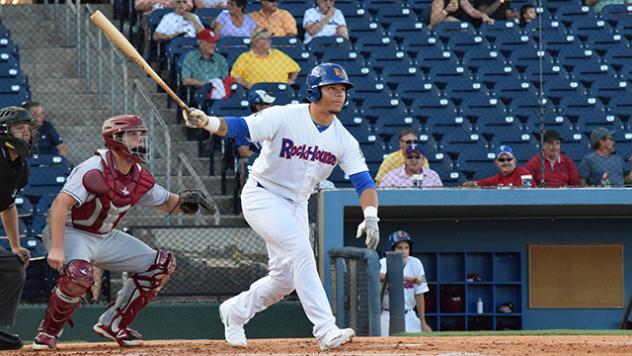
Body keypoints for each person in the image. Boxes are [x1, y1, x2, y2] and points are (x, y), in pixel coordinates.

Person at [183, 63, 380, 351]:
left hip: (297, 204)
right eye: (333, 88)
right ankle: (326, 330)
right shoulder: (284, 116)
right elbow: (241, 126)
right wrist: (208, 122)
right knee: (301, 252)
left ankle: (235, 312)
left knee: (285, 280)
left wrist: (371, 216)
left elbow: (364, 182)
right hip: (263, 195)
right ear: (314, 91)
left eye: (343, 90)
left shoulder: (343, 139)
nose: (340, 94)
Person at [31, 115, 215, 350]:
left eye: (141, 134)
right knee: (79, 274)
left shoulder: (137, 174)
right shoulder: (92, 169)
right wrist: (57, 247)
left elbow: (169, 203)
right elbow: (59, 205)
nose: (140, 140)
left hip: (105, 235)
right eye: (133, 134)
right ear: (114, 139)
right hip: (71, 232)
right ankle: (47, 333)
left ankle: (114, 324)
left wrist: (191, 199)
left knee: (161, 264)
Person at [0, 107, 37, 351]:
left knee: (13, 265)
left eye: (28, 128)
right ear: (4, 131)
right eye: (19, 128)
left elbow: (8, 205)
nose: (25, 133)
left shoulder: (20, 167)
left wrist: (15, 245)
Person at [380, 231, 432, 336]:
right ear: (392, 249)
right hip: (387, 315)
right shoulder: (383, 262)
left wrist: (423, 322)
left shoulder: (416, 263)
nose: (404, 251)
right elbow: (380, 276)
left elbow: (419, 294)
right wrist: (407, 278)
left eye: (406, 248)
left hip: (409, 314)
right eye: (400, 248)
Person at [230, 28, 300, 89]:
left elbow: (296, 69)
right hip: (257, 92)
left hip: (280, 92)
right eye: (266, 39)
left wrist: (290, 80)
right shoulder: (245, 57)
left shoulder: (278, 54)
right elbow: (236, 77)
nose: (270, 41)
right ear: (256, 42)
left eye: (269, 38)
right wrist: (248, 85)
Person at [234, 90, 276, 186]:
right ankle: (245, 197)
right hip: (254, 159)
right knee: (244, 163)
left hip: (272, 158)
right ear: (258, 106)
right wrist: (265, 157)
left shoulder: (274, 122)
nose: (271, 107)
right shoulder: (245, 123)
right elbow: (243, 151)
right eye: (267, 104)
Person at [463, 145, 533, 187]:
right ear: (496, 163)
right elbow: (480, 183)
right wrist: (473, 184)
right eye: (501, 160)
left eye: (509, 159)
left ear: (514, 160)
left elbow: (527, 194)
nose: (506, 162)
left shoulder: (523, 173)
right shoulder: (497, 178)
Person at [429, 0, 494, 28]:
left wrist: (482, 15)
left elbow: (472, 11)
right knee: (450, 19)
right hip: (442, 28)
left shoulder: (461, 0)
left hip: (459, 27)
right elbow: (433, 22)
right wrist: (446, 11)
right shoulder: (439, 1)